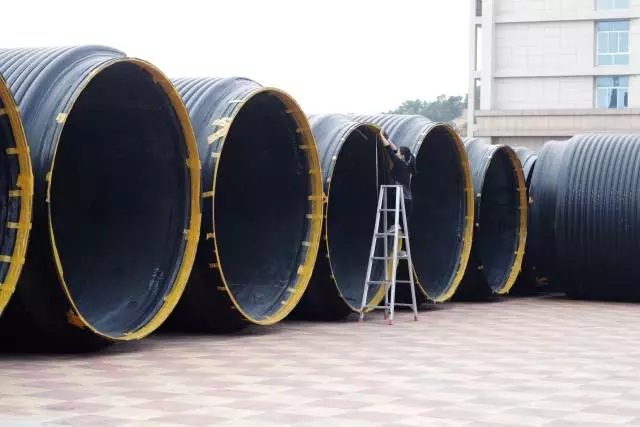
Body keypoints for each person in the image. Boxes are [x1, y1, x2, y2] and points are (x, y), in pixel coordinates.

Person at [378, 129, 417, 256]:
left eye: (399, 153)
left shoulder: (399, 164)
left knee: (389, 203)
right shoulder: (409, 162)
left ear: (402, 156)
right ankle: (404, 250)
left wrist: (380, 135)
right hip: (408, 200)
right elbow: (394, 149)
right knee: (406, 227)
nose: (397, 153)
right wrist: (387, 138)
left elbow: (389, 150)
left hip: (400, 199)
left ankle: (394, 224)